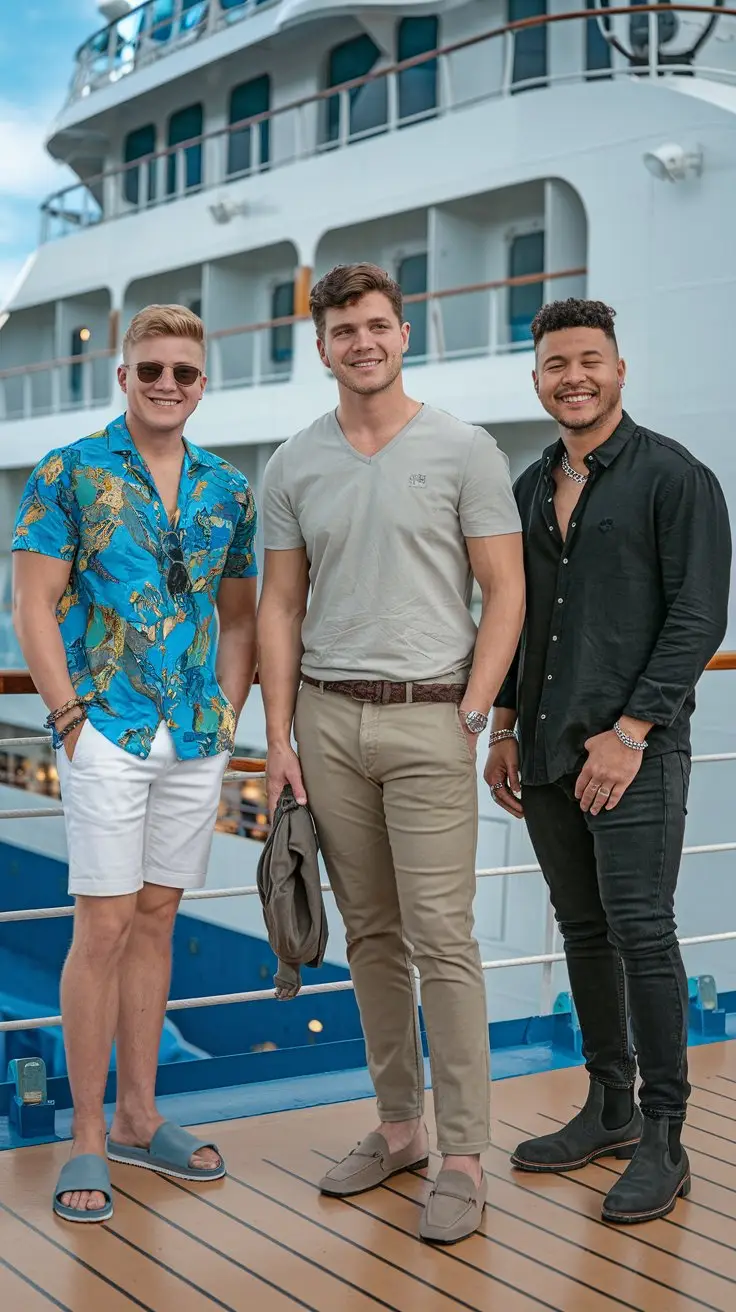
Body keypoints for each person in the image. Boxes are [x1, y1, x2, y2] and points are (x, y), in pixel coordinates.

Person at [257, 262, 525, 1244]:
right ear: (321, 347)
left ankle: (464, 1156)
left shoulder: (464, 448)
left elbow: (505, 589)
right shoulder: (292, 463)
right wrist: (277, 738)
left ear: (403, 333)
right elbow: (281, 605)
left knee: (443, 938)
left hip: (431, 718)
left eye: (376, 325)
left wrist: (474, 710)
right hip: (327, 720)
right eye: (343, 331)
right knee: (369, 935)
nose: (361, 343)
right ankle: (402, 1128)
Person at [12, 304, 258, 1223]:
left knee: (156, 921)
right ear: (124, 377)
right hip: (107, 731)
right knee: (104, 928)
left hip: (192, 736)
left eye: (182, 372)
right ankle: (85, 1133)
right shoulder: (68, 471)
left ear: (202, 384)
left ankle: (138, 1117)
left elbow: (240, 614)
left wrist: (226, 714)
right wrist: (70, 720)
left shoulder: (228, 488)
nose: (166, 384)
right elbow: (33, 605)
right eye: (149, 369)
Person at [486, 298, 730, 1224]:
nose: (574, 378)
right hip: (547, 750)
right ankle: (610, 1106)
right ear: (538, 379)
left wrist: (629, 734)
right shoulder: (529, 486)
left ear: (619, 370)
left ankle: (666, 1136)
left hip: (635, 754)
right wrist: (504, 727)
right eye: (557, 364)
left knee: (641, 930)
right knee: (583, 931)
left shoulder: (675, 476)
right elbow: (516, 618)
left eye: (590, 360)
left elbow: (698, 618)